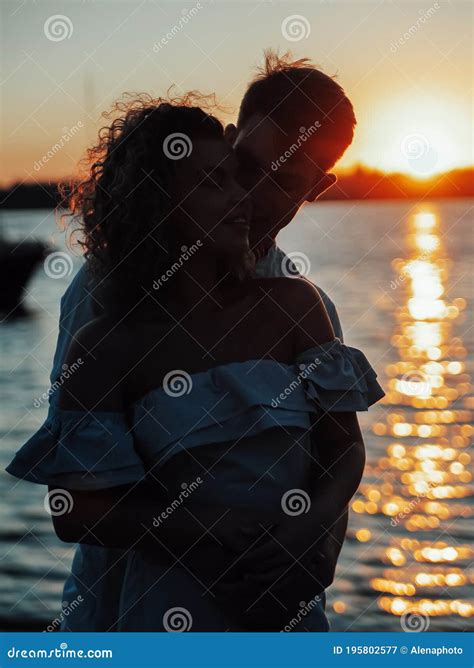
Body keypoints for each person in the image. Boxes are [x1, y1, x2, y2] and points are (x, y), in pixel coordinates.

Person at [7, 97, 384, 631]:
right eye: (225, 177)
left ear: (317, 187)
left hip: (284, 599)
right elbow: (82, 496)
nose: (247, 197)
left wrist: (311, 555)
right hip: (148, 607)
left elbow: (336, 451)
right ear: (159, 202)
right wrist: (212, 532)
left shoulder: (299, 304)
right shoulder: (105, 314)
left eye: (280, 179)